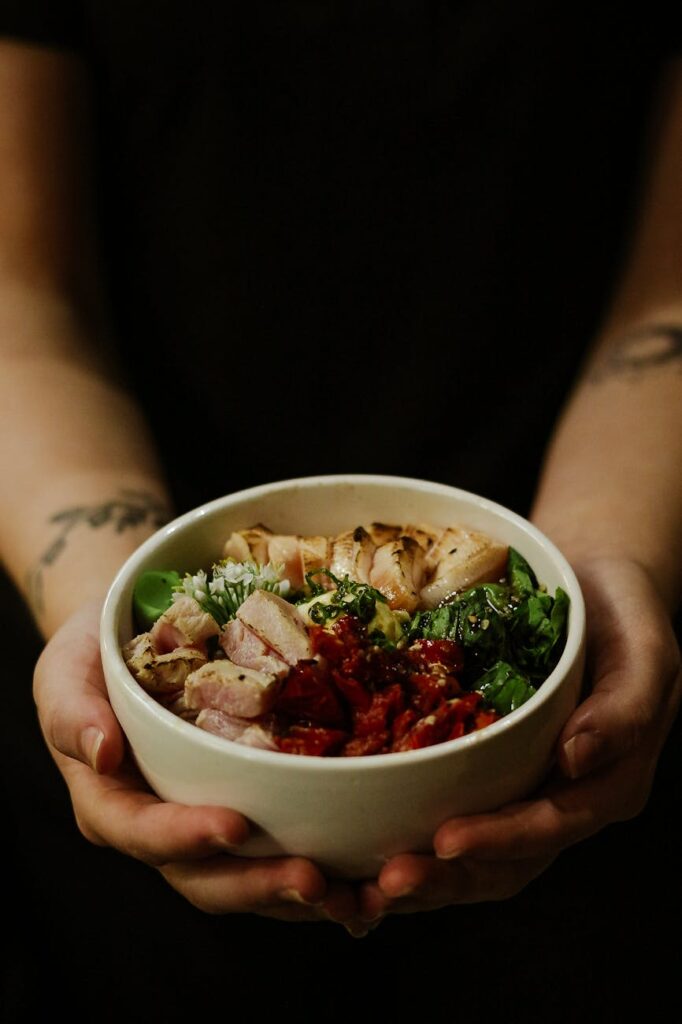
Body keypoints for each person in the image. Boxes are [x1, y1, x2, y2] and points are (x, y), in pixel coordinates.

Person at [1, 4, 680, 1019]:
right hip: (119, 865)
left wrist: (608, 563)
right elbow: (21, 290)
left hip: (598, 822)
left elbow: (667, 300)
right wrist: (98, 602)